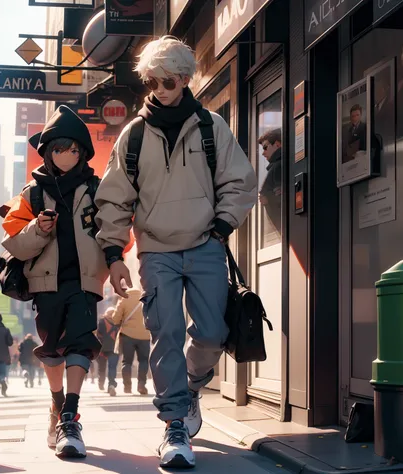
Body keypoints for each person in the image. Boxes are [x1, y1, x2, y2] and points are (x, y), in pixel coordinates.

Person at [95, 36, 257, 469]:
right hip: (155, 252)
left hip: (205, 244)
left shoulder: (211, 127)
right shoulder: (132, 136)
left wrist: (222, 226)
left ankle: (188, 387)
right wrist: (114, 254)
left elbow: (240, 180)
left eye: (168, 80)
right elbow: (113, 200)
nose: (160, 89)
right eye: (152, 81)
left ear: (185, 79)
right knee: (165, 333)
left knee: (211, 333)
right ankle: (174, 425)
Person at [1, 105, 109, 459]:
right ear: (48, 152)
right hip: (44, 285)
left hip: (85, 283)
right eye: (60, 149)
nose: (67, 156)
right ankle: (57, 402)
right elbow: (14, 243)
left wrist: (112, 263)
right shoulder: (30, 194)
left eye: (74, 149)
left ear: (83, 153)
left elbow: (117, 233)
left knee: (80, 342)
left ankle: (69, 417)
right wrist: (38, 229)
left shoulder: (97, 189)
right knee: (51, 350)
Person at [109, 288, 150, 395]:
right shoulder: (145, 297)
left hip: (128, 335)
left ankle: (127, 386)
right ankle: (141, 384)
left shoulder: (124, 299)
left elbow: (115, 319)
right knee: (144, 361)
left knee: (127, 362)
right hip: (145, 335)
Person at [258, 129, 282, 235]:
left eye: (265, 147)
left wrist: (267, 199)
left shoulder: (279, 166)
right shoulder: (278, 165)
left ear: (277, 144)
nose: (263, 153)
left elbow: (280, 198)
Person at [96, 307, 120, 396]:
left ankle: (101, 382)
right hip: (114, 348)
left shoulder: (101, 321)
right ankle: (111, 384)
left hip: (103, 348)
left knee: (102, 367)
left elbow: (98, 335)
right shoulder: (118, 322)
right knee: (112, 367)